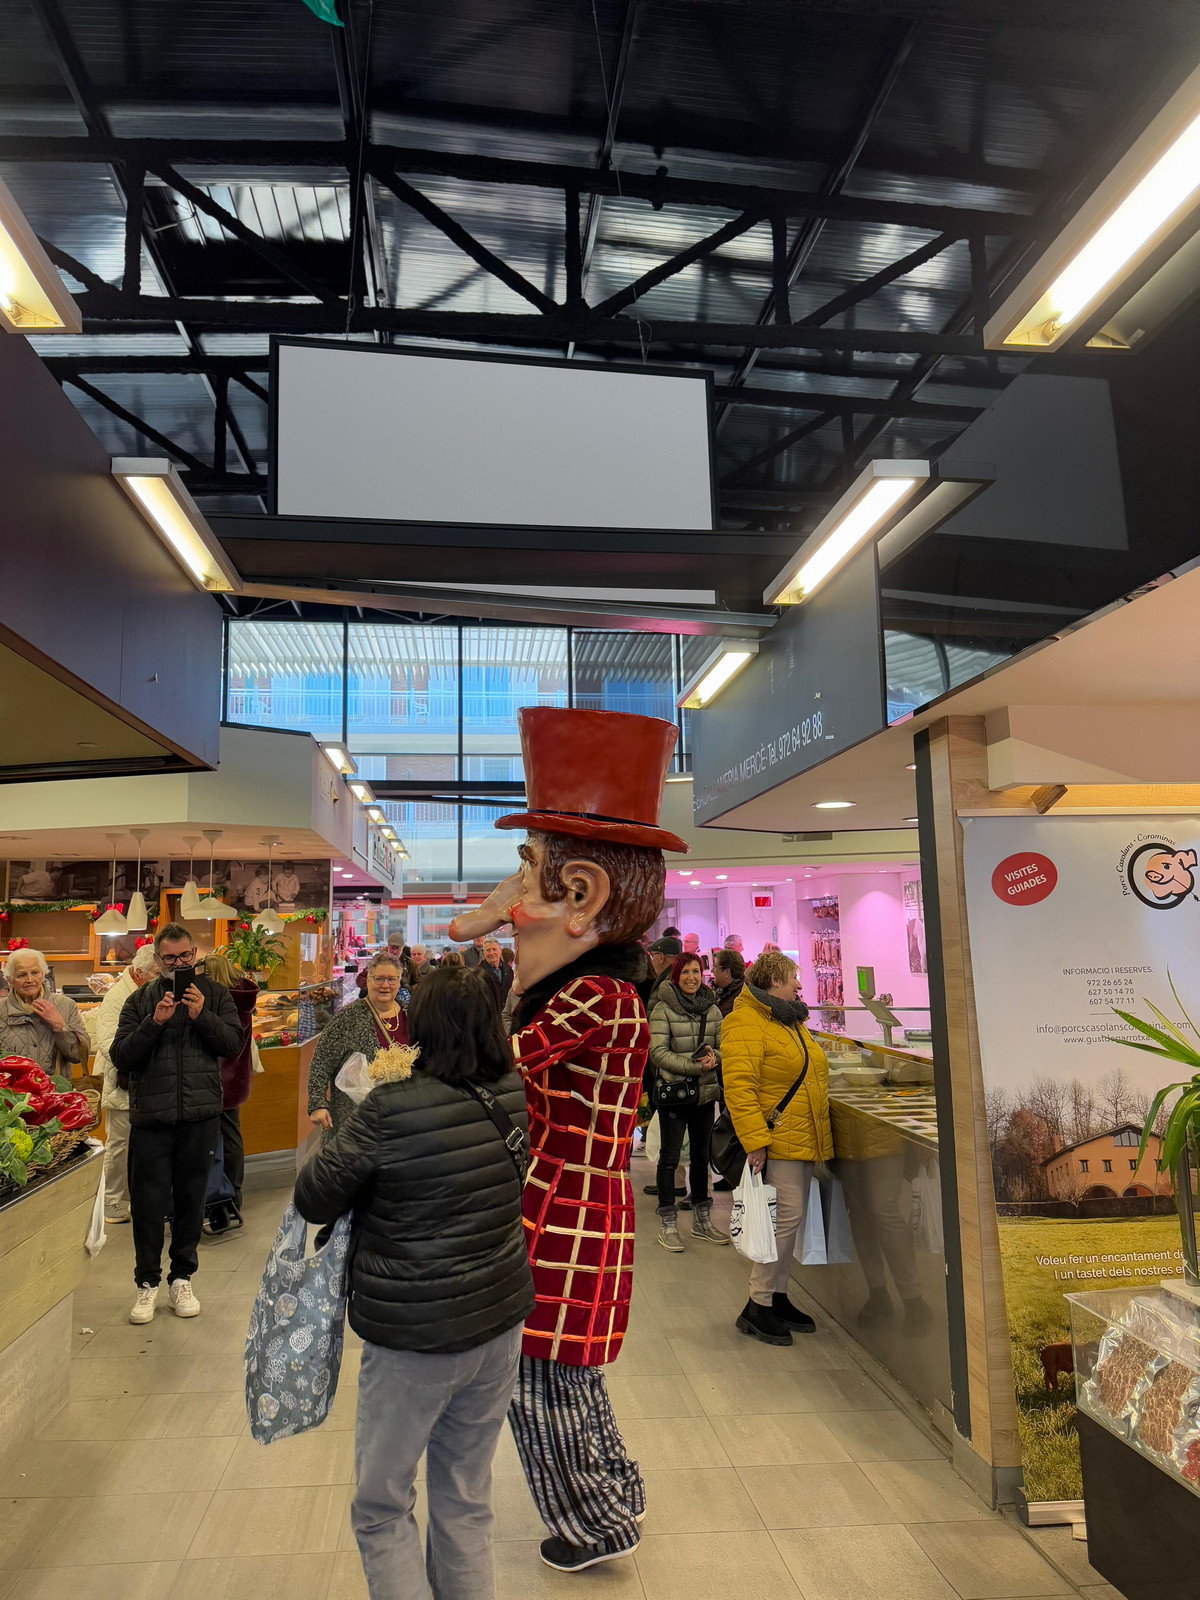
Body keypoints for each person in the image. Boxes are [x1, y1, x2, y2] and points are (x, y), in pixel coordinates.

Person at [449, 705, 685, 1573]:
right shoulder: (603, 991)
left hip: (564, 1223)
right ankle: (612, 1496)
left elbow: (494, 1070)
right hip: (570, 1216)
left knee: (540, 1379)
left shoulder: (593, 998)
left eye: (526, 873)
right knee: (564, 1377)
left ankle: (595, 1522)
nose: (511, 903)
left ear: (580, 896)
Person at [295, 966, 534, 1600]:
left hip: (414, 1330)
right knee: (465, 1498)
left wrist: (349, 1123)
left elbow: (315, 1196)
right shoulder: (509, 1091)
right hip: (498, 1319)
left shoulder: (388, 1107)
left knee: (381, 1506)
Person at [111, 924, 245, 1325]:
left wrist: (202, 1015)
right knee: (148, 1205)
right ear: (157, 960)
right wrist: (154, 1023)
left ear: (194, 954)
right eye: (170, 958)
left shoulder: (215, 995)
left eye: (185, 956)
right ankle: (146, 1283)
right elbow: (122, 1057)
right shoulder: (139, 1000)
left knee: (191, 1202)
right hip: (151, 1118)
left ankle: (182, 1278)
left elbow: (232, 1045)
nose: (179, 963)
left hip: (200, 1115)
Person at [721, 949, 832, 1346]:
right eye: (793, 978)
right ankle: (758, 1304)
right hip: (777, 1139)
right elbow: (740, 1088)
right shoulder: (744, 1022)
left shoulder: (787, 1019)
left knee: (790, 1221)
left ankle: (777, 1297)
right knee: (783, 1221)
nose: (799, 985)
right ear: (773, 981)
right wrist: (756, 1142)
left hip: (801, 1136)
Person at [648, 953, 727, 1251]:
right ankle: (668, 1224)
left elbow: (723, 1047)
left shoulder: (713, 1009)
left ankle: (702, 1220)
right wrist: (696, 1067)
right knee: (669, 1158)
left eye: (696, 971)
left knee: (701, 1157)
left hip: (705, 1095)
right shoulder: (662, 1009)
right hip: (674, 1095)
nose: (691, 978)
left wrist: (714, 1058)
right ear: (675, 976)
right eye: (685, 972)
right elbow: (658, 1052)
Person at [308, 950, 409, 1135]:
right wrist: (317, 1105)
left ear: (399, 981)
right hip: (357, 1121)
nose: (385, 985)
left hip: (402, 1117)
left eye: (391, 979)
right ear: (367, 980)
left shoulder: (411, 1014)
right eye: (379, 979)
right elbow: (320, 1063)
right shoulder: (348, 1018)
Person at [95, 945, 159, 1224]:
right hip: (121, 1082)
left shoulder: (153, 991)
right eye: (156, 972)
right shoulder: (117, 996)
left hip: (148, 1083)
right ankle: (110, 1200)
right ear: (139, 972)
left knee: (145, 1145)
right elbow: (108, 1042)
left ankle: (137, 1199)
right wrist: (139, 1055)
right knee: (119, 1144)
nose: (161, 976)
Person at [201, 951, 260, 1231]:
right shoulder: (242, 1000)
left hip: (219, 1078)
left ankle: (227, 1192)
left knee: (222, 1138)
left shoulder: (221, 1003)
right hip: (236, 1076)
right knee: (232, 1134)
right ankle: (231, 1192)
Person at [0, 948, 90, 1074]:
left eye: (35, 973)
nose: (30, 980)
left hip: (55, 1086)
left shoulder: (66, 1005)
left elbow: (79, 1057)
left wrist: (61, 1027)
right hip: (11, 1086)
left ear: (43, 974)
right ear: (10, 980)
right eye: (22, 975)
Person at [711, 948, 746, 1018]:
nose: (712, 970)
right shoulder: (726, 992)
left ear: (727, 972)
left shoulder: (738, 999)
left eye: (715, 966)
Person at [478, 938, 513, 1004]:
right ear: (483, 953)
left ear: (500, 951)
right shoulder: (478, 973)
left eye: (494, 949)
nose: (491, 953)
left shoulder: (508, 970)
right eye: (488, 950)